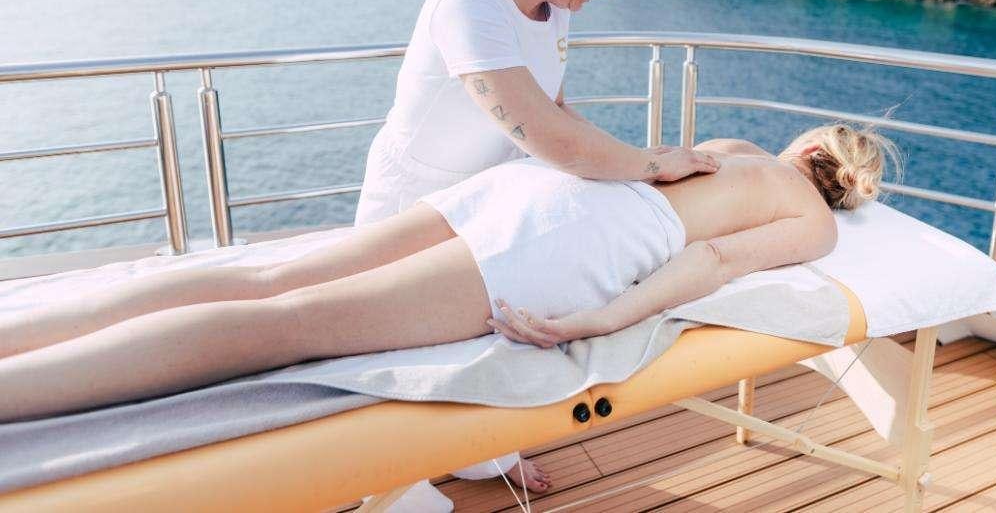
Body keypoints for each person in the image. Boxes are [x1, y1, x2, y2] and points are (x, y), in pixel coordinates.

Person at [0, 125, 899, 443]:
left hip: (535, 188)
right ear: (847, 191)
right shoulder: (811, 219)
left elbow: (662, 175)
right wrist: (601, 316)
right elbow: (705, 264)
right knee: (288, 324)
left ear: (810, 148)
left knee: (264, 274)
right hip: (570, 237)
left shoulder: (745, 150)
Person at [353, 0, 719, 493]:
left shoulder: (554, 8)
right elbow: (544, 136)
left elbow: (553, 107)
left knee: (486, 336)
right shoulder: (468, 2)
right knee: (396, 350)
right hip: (414, 197)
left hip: (485, 196)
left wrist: (634, 162)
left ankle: (483, 451)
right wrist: (653, 166)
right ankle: (392, 480)